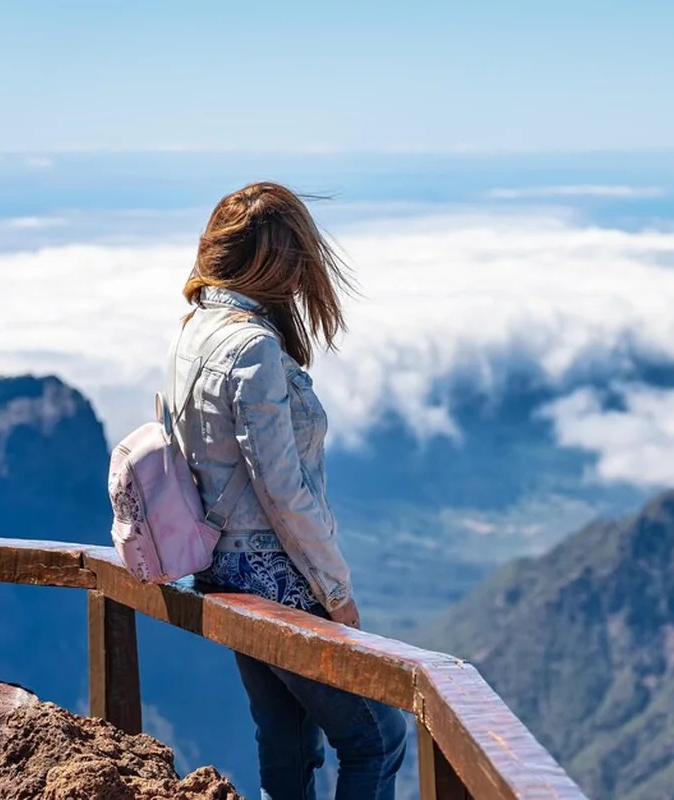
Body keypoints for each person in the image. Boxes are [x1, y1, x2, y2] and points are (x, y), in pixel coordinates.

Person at [168, 182, 407, 800]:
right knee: (377, 737)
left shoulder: (193, 331)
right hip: (277, 577)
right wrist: (336, 592)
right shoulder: (252, 348)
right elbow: (284, 492)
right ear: (275, 262)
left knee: (287, 736)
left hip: (222, 571)